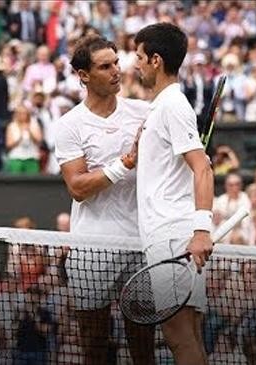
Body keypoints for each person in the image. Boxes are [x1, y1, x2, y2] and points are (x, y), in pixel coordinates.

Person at [52, 35, 154, 364]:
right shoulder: (69, 125)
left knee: (143, 346)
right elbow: (78, 187)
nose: (116, 72)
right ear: (83, 75)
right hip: (91, 248)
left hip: (141, 245)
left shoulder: (144, 112)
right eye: (105, 66)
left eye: (117, 64)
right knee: (94, 344)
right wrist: (125, 163)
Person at [133, 22, 215, 364]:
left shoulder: (172, 105)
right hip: (170, 235)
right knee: (189, 338)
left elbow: (203, 168)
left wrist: (201, 230)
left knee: (179, 339)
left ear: (155, 60)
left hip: (172, 237)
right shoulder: (163, 106)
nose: (134, 63)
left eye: (138, 56)